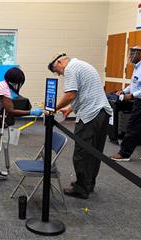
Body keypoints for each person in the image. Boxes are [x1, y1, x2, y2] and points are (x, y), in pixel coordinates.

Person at [47, 53, 112, 199]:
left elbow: (70, 94)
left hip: (90, 116)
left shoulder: (70, 68)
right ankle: (88, 184)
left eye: (56, 69)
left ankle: (81, 188)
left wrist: (53, 109)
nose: (58, 74)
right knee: (94, 152)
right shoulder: (82, 65)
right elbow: (83, 92)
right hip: (101, 113)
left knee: (82, 152)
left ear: (60, 62)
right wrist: (69, 109)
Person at [110, 45, 141, 163]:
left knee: (132, 127)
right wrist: (125, 91)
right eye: (131, 53)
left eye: (134, 53)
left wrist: (132, 95)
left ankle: (124, 153)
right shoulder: (138, 67)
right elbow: (135, 84)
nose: (131, 56)